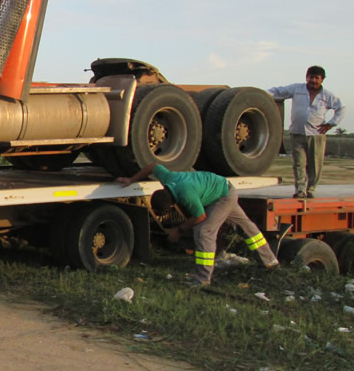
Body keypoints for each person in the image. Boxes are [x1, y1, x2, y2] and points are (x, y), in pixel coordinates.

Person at [117, 163, 279, 286]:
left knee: (204, 231)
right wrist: (132, 180)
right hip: (220, 187)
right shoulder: (168, 178)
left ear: (172, 205)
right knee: (245, 227)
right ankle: (269, 261)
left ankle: (202, 279)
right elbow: (153, 166)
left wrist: (178, 230)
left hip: (222, 196)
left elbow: (200, 217)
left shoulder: (186, 195)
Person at [267, 66, 346, 198]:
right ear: (306, 77)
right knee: (299, 164)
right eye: (311, 77)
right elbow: (279, 91)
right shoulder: (297, 89)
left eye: (316, 78)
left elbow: (341, 108)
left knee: (315, 165)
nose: (313, 80)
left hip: (316, 135)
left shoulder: (327, 95)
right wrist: (258, 93)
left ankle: (311, 189)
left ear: (322, 80)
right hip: (297, 133)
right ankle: (300, 190)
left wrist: (331, 123)